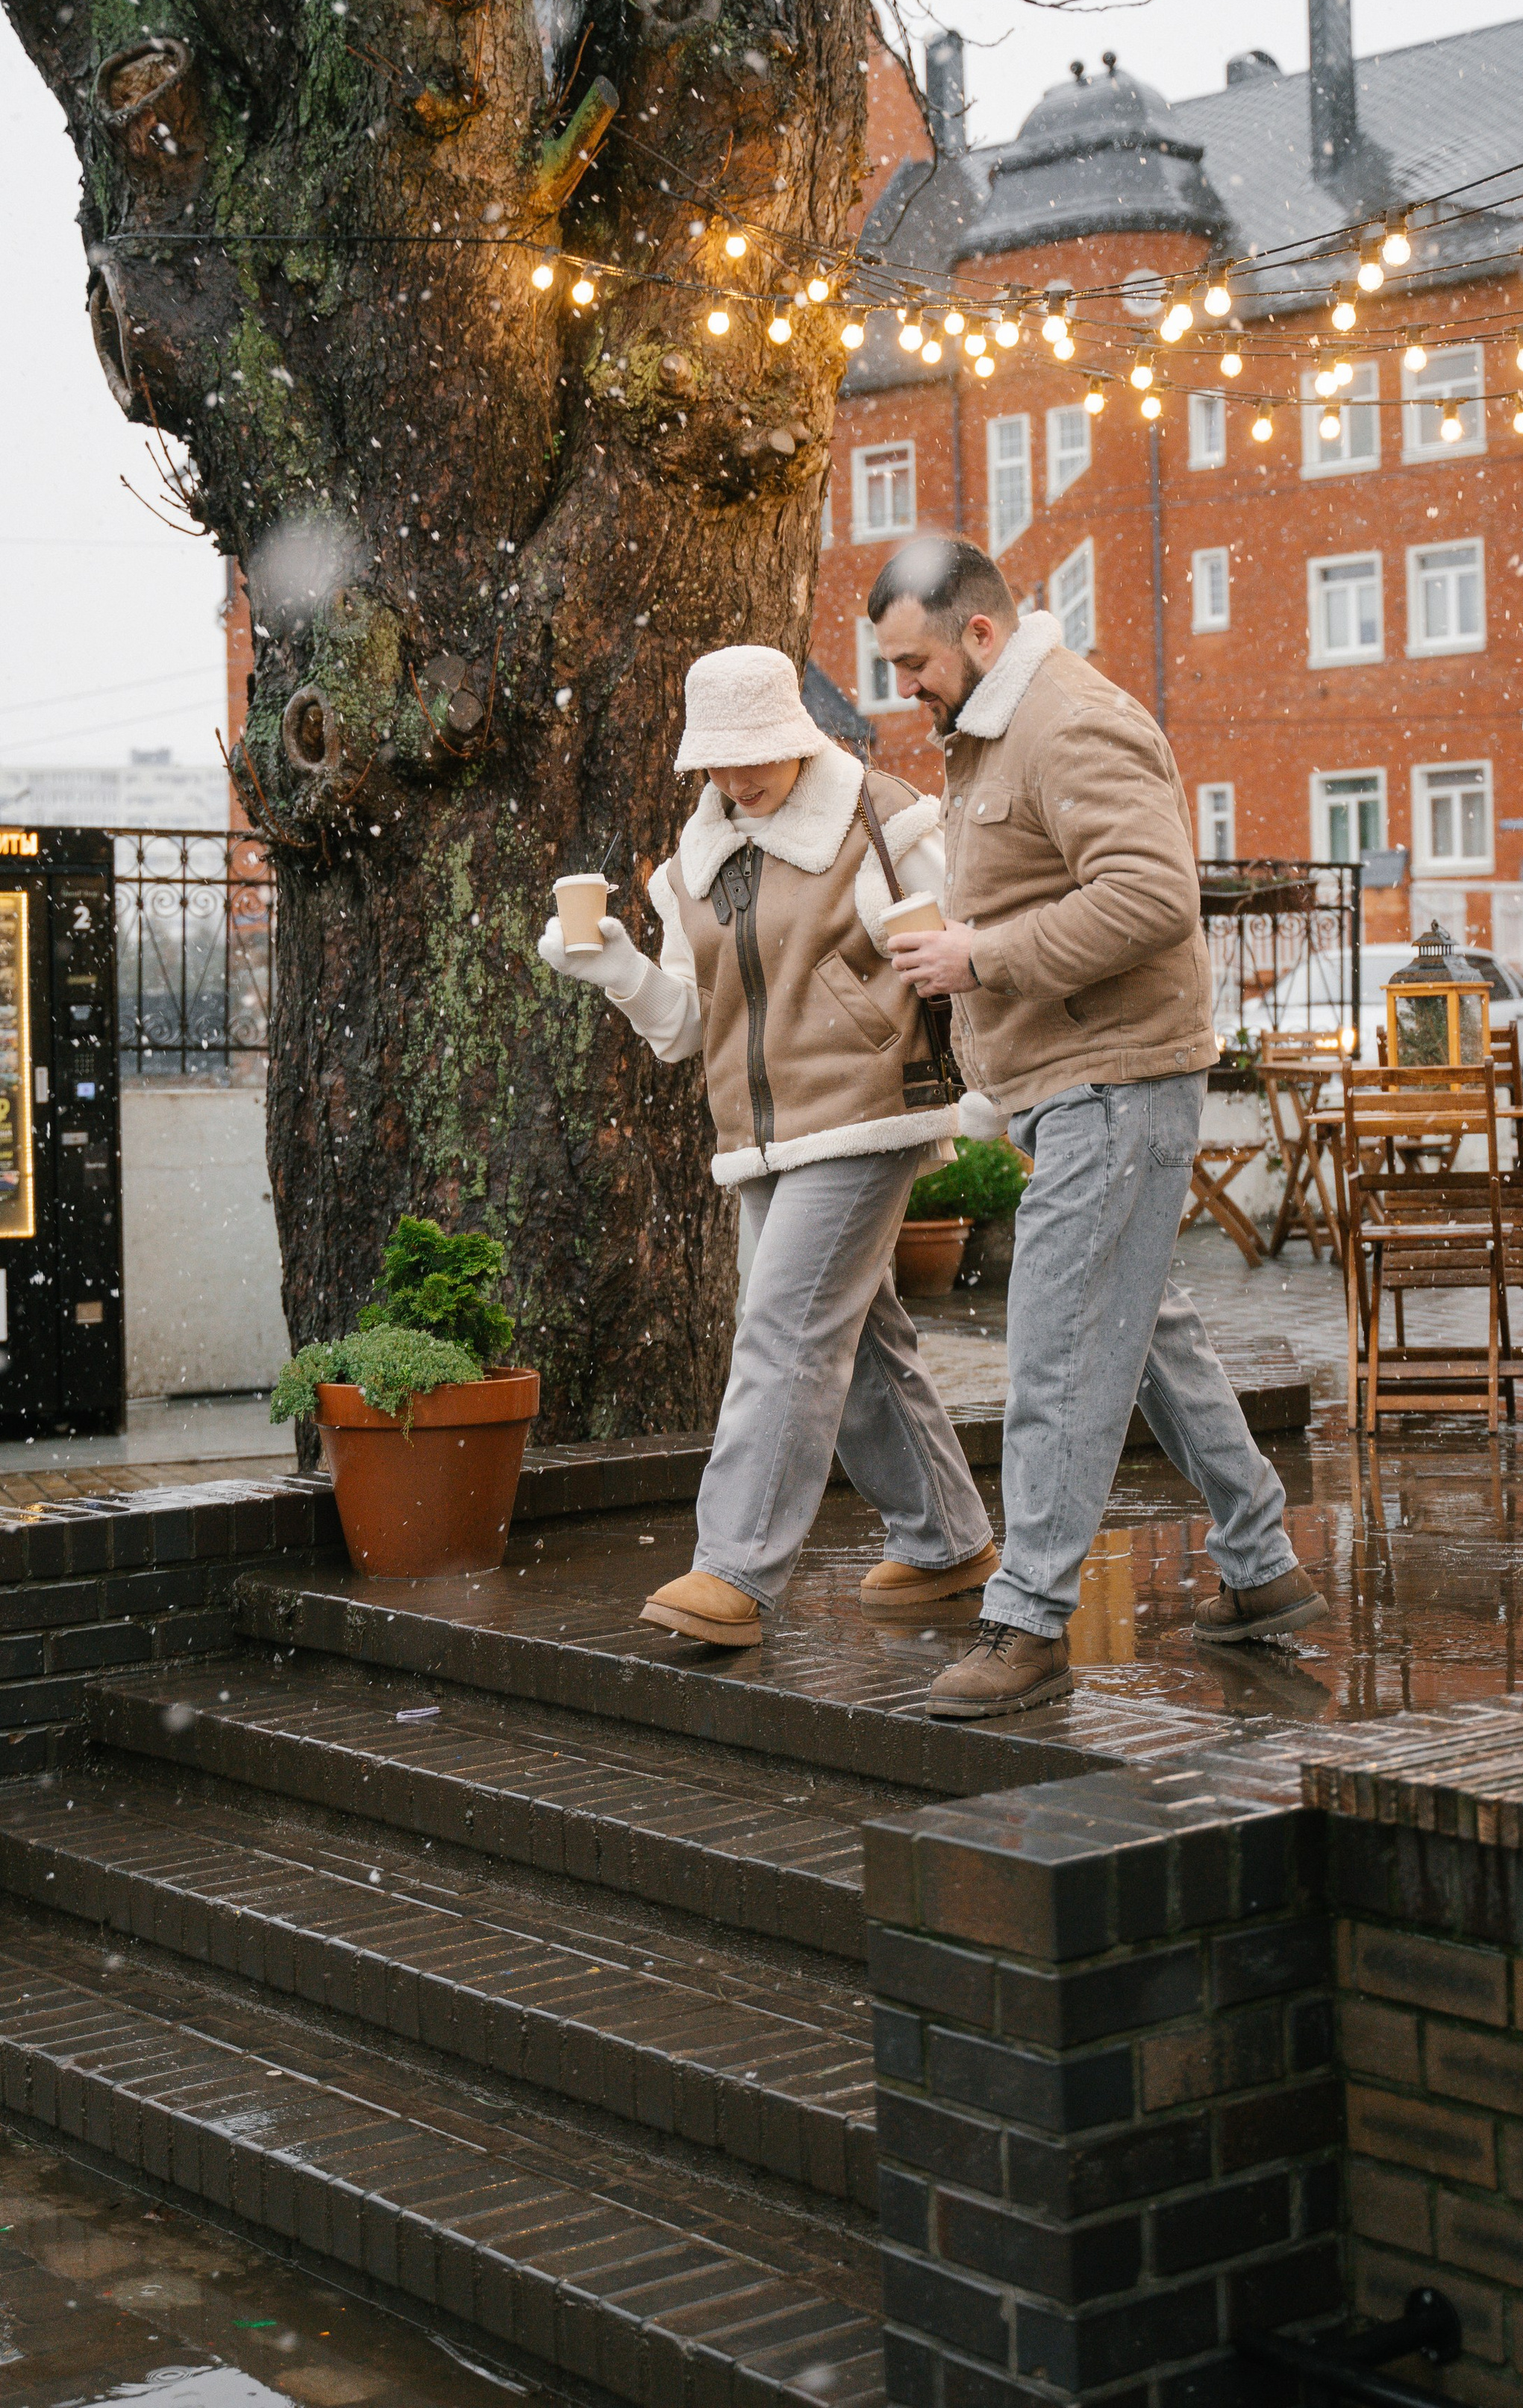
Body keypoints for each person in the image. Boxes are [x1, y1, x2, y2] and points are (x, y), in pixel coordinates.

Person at [869, 535, 1327, 1720]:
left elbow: (1153, 895)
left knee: (1061, 1348)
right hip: (1075, 1079)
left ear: (980, 632)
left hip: (1117, 1082)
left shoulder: (1069, 720)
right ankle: (1263, 1566)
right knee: (1144, 1335)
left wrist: (982, 955)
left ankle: (1027, 1621)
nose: (900, 688)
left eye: (913, 660)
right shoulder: (993, 732)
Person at [537, 642, 997, 1649]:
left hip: (871, 1109)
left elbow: (971, 941)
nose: (742, 779)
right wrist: (611, 963)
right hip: (764, 1138)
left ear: (798, 733)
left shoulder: (883, 820)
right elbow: (682, 1028)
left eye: (760, 754)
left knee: (785, 1327)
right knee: (863, 1345)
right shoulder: (691, 866)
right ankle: (948, 1541)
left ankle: (734, 1567)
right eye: (721, 761)